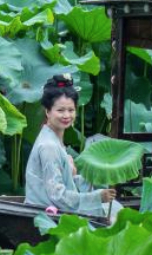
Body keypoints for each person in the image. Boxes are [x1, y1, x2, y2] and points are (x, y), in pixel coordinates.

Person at [25, 75, 120, 220]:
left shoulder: (53, 138)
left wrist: (94, 178)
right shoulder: (49, 146)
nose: (66, 115)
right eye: (60, 110)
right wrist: (97, 197)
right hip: (47, 212)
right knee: (115, 214)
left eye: (71, 110)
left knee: (115, 208)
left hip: (56, 205)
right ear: (47, 111)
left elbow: (62, 182)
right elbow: (57, 195)